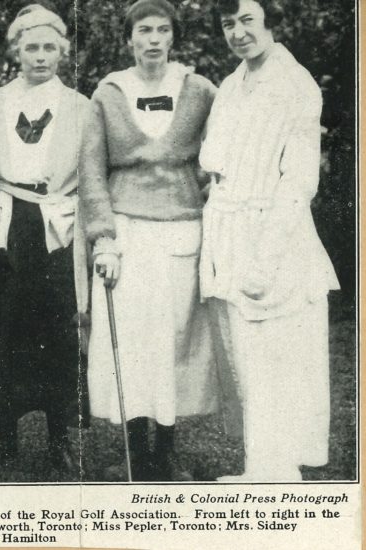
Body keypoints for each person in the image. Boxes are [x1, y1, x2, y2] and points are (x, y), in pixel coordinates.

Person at [79, 0, 218, 481]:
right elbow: (92, 173)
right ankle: (135, 451)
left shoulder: (199, 91)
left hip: (182, 231)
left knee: (175, 341)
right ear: (130, 38)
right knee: (130, 343)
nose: (153, 39)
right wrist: (103, 238)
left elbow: (218, 161)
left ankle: (168, 450)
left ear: (173, 38)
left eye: (162, 30)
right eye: (144, 30)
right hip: (126, 233)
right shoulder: (109, 93)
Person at [200, 0, 339, 481]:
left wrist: (264, 258)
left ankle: (276, 476)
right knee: (246, 360)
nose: (238, 33)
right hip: (229, 230)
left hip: (272, 237)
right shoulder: (233, 84)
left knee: (276, 358)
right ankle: (259, 468)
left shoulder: (293, 84)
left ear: (270, 25)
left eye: (247, 21)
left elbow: (298, 182)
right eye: (228, 24)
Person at [0, 4, 90, 478]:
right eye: (31, 47)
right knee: (4, 325)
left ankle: (60, 436)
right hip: (5, 221)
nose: (40, 56)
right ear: (16, 50)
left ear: (62, 50)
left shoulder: (80, 105)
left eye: (49, 47)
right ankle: (5, 438)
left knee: (58, 329)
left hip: (58, 222)